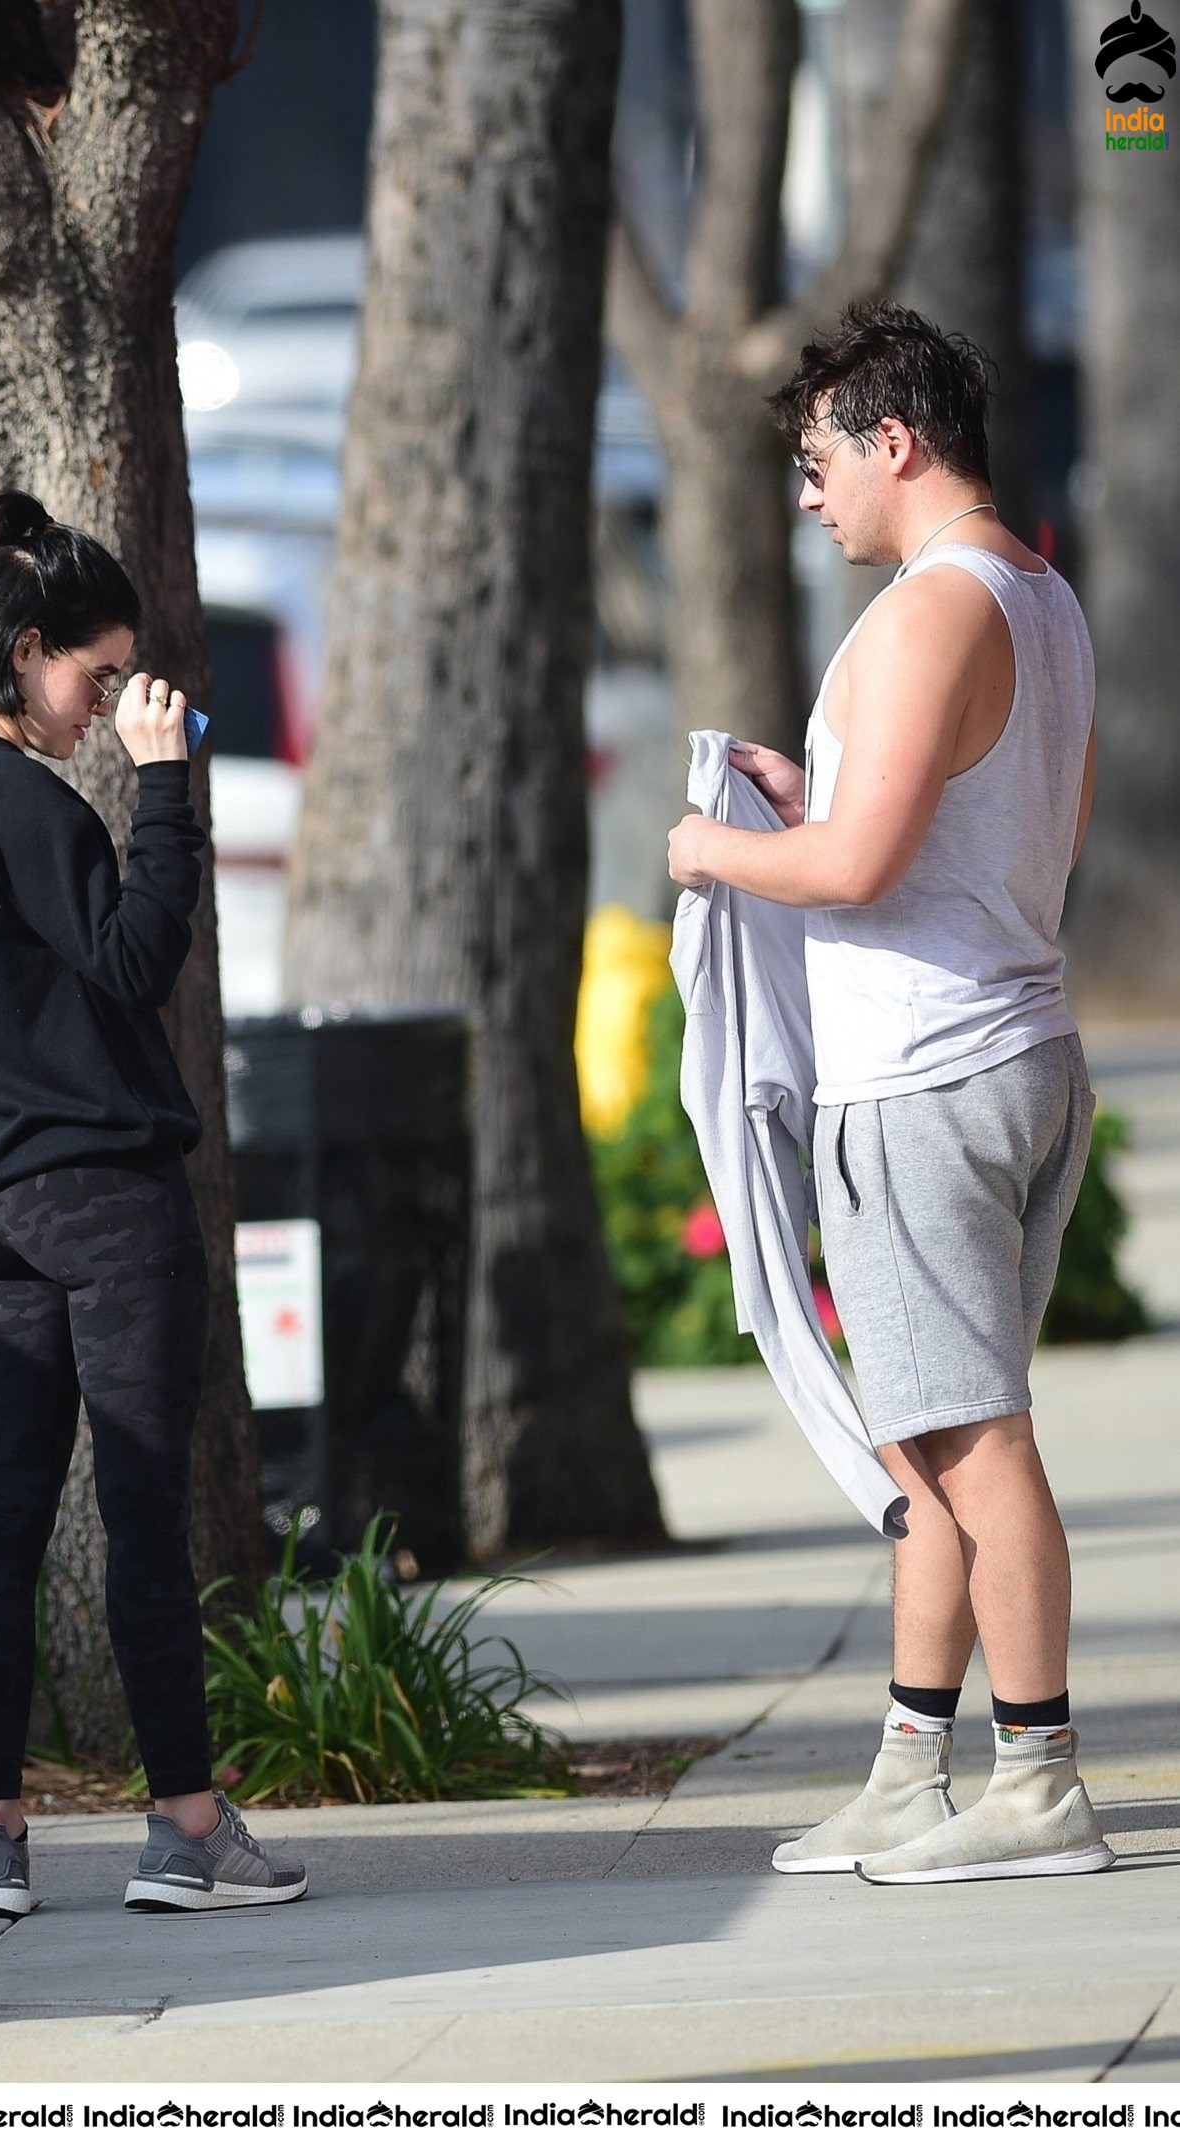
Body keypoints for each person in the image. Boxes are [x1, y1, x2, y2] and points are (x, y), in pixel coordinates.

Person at [667, 302, 1110, 1885]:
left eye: (816, 460)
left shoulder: (928, 611)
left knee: (976, 1440)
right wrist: (816, 792)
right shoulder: (1040, 593)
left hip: (922, 1082)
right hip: (1021, 1053)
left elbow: (854, 871)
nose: (809, 495)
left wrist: (713, 848)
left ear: (892, 441)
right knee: (927, 1439)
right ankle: (913, 1767)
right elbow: (1017, 829)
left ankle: (1041, 1776)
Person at [0, 489, 307, 1917]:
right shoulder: (24, 800)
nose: (104, 705)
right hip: (103, 1205)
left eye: (122, 690)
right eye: (96, 677)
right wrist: (166, 780)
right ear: (27, 646)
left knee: (2, 1525)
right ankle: (184, 1822)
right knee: (138, 1513)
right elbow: (132, 962)